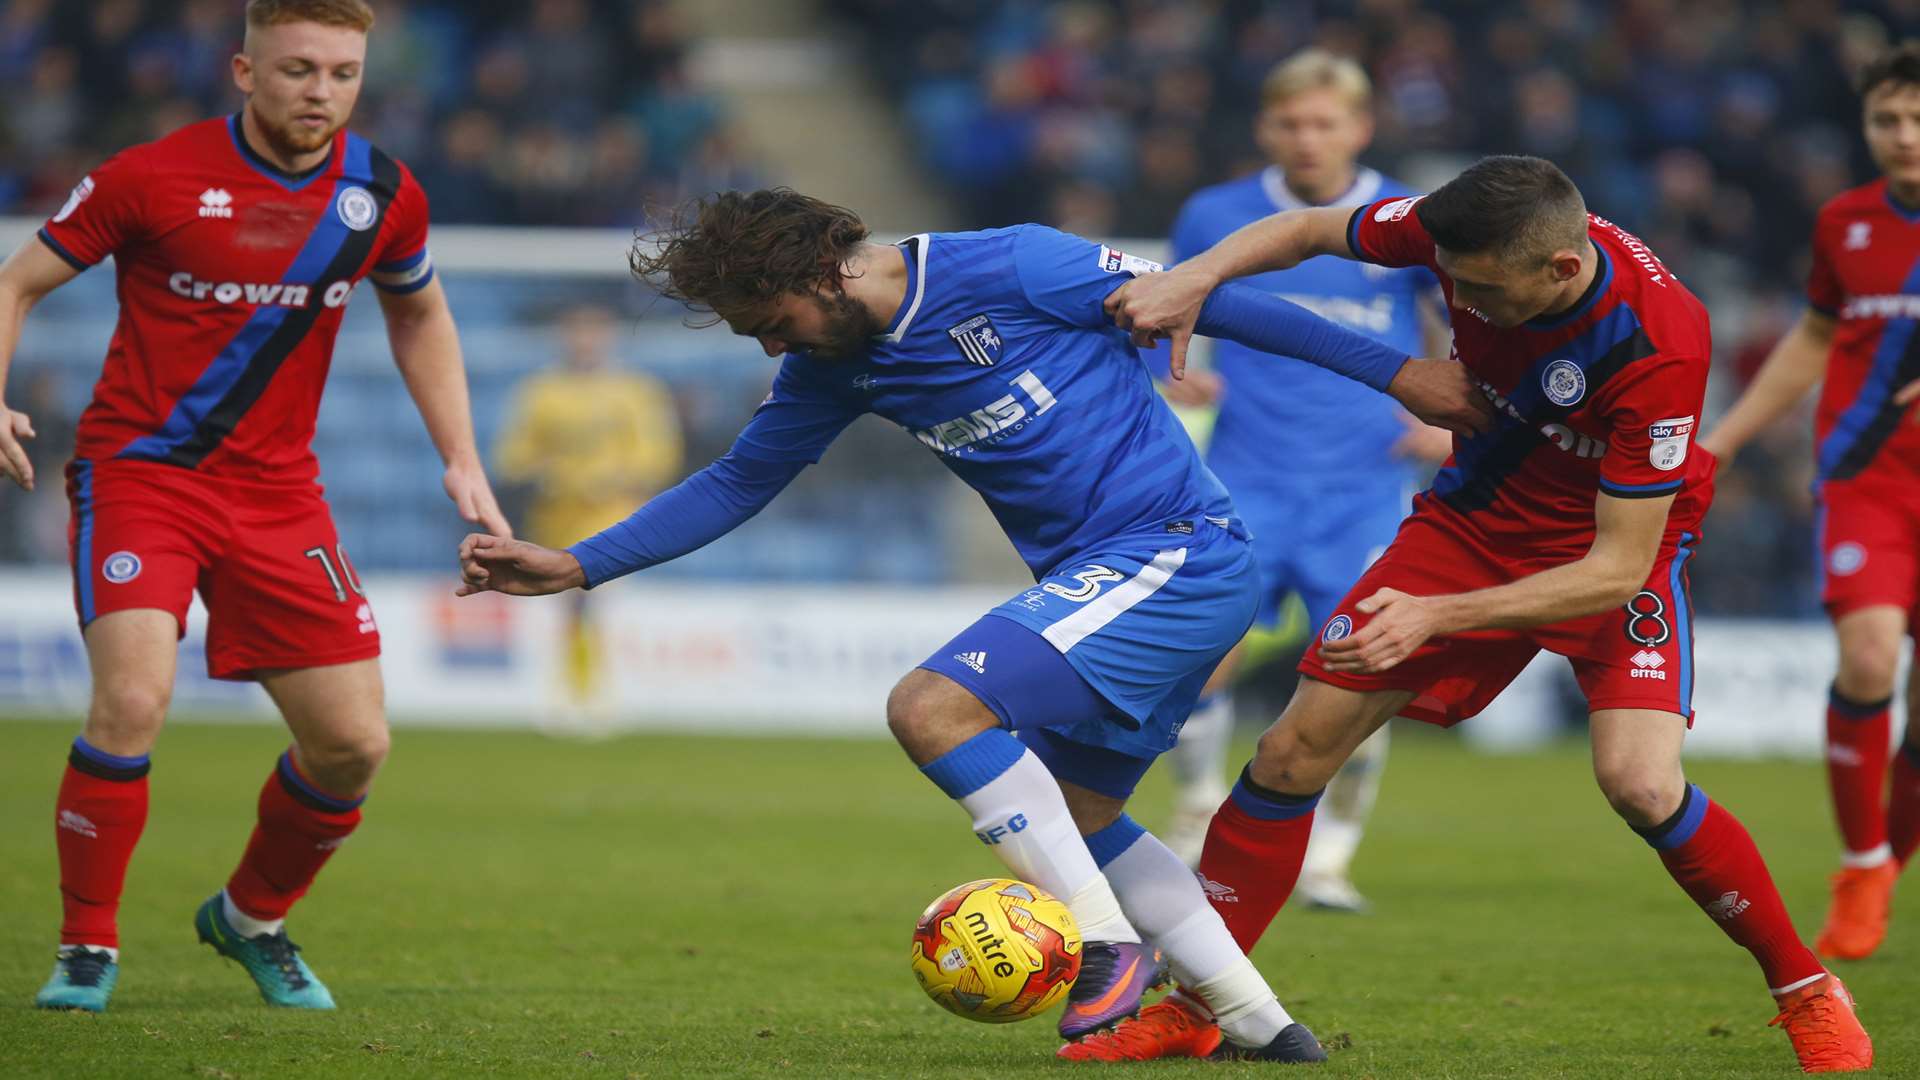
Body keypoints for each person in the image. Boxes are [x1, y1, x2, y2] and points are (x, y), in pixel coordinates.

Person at [455, 187, 1488, 1060]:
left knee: (929, 708)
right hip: (1121, 580)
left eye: (770, 317)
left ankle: (1102, 945)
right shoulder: (831, 368)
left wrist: (1399, 374)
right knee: (1079, 817)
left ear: (826, 273)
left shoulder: (1016, 268)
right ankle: (1261, 1024)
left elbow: (1217, 302)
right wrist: (581, 563)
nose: (771, 344)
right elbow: (737, 482)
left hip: (1176, 551)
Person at [1094, 155, 1872, 1073]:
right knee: (1290, 752)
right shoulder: (1461, 226)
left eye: (1479, 289)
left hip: (1608, 550)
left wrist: (1435, 617)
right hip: (1471, 524)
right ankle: (1198, 1003)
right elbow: (1307, 229)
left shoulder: (1659, 340)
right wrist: (1198, 273)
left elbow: (1617, 570)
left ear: (1560, 270)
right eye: (1450, 276)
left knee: (1641, 785)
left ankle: (1807, 989)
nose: (1460, 301)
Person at [0, 0, 510, 1013]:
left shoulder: (380, 191)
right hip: (141, 473)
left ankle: (248, 919)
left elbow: (420, 312)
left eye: (343, 73)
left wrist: (461, 457)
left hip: (279, 495)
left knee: (354, 747)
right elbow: (15, 283)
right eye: (297, 70)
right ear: (243, 71)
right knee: (134, 700)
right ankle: (86, 949)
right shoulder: (153, 175)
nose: (321, 92)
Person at [1152, 50, 1452, 907]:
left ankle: (1329, 855)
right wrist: (1169, 374)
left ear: (1359, 128)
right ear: (1265, 128)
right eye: (1291, 122)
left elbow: (1461, 317)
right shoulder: (1215, 212)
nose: (1307, 138)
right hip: (1244, 474)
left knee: (1361, 671)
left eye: (1325, 123)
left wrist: (1445, 414)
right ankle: (1196, 811)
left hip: (1361, 484)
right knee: (1201, 650)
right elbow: (1165, 311)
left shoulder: (1408, 219)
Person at [1701, 43, 1920, 963]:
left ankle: (1885, 866)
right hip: (1868, 481)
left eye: (1916, 119)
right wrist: (1724, 437)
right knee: (1868, 659)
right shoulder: (1847, 222)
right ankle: (1860, 856)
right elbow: (1813, 339)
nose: (1903, 136)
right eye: (1886, 120)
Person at [495, 304, 684, 727]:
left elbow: (657, 453)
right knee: (565, 608)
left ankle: (601, 692)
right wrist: (544, 475)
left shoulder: (634, 390)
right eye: (576, 332)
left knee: (599, 604)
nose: (584, 341)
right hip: (556, 516)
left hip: (614, 516)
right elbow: (514, 455)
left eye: (593, 332)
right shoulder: (541, 391)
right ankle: (567, 692)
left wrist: (617, 477)